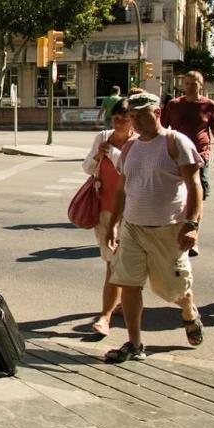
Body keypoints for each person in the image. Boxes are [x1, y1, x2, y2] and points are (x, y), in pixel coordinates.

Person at [104, 92, 205, 363]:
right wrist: (113, 223)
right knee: (128, 284)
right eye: (132, 117)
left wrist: (192, 225)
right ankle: (135, 343)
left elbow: (195, 185)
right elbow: (123, 189)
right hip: (133, 228)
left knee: (172, 290)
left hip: (167, 229)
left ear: (157, 113)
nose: (135, 122)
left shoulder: (175, 142)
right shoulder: (130, 148)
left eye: (141, 116)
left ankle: (188, 311)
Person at [82, 98, 137, 336]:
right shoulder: (102, 138)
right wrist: (97, 157)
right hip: (104, 208)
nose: (119, 123)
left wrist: (113, 153)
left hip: (131, 211)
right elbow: (86, 167)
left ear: (132, 120)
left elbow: (131, 170)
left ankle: (106, 315)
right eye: (116, 118)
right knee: (112, 262)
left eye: (124, 118)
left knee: (119, 264)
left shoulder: (138, 142)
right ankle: (114, 308)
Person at [161, 70, 214, 200]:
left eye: (194, 84)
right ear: (183, 85)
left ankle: (196, 217)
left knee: (199, 187)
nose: (190, 87)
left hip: (200, 153)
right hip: (177, 153)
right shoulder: (174, 104)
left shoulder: (209, 105)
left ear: (201, 85)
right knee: (179, 189)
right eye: (187, 84)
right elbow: (162, 128)